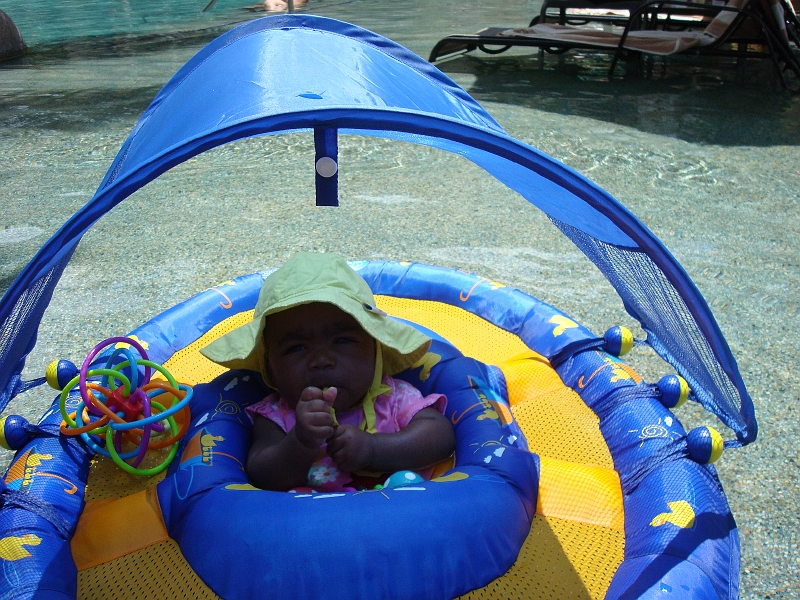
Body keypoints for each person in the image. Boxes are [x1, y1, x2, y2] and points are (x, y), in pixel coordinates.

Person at [200, 252, 455, 492]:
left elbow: (441, 438)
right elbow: (262, 474)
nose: (321, 360)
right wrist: (300, 442)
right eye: (297, 347)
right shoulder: (277, 415)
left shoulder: (393, 397)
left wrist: (374, 450)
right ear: (270, 366)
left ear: (375, 348)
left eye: (342, 341)